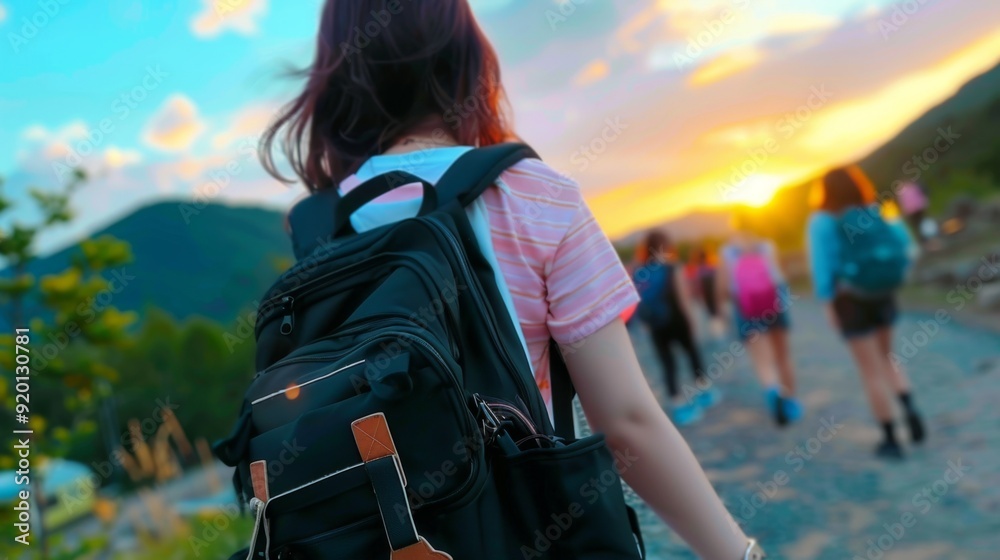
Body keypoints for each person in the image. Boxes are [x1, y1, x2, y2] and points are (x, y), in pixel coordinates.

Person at [259, 1, 763, 557]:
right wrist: (739, 553)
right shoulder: (533, 194)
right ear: (465, 51)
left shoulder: (319, 228)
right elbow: (625, 421)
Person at [808, 166, 926, 459]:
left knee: (869, 371)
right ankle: (909, 407)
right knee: (889, 358)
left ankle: (890, 440)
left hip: (849, 299)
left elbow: (823, 266)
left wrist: (827, 304)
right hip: (882, 293)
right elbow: (903, 243)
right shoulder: (871, 209)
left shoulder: (822, 220)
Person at [716, 211, 802, 426]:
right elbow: (780, 277)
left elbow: (723, 288)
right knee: (783, 356)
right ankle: (790, 403)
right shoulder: (766, 245)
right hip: (774, 303)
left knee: (762, 361)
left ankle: (773, 393)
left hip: (747, 308)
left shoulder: (728, 252)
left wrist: (722, 310)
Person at [633, 231, 720, 426]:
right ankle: (704, 393)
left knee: (667, 364)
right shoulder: (672, 268)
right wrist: (693, 322)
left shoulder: (641, 271)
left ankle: (679, 407)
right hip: (677, 320)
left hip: (656, 324)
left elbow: (639, 300)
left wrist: (646, 325)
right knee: (692, 354)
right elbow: (683, 299)